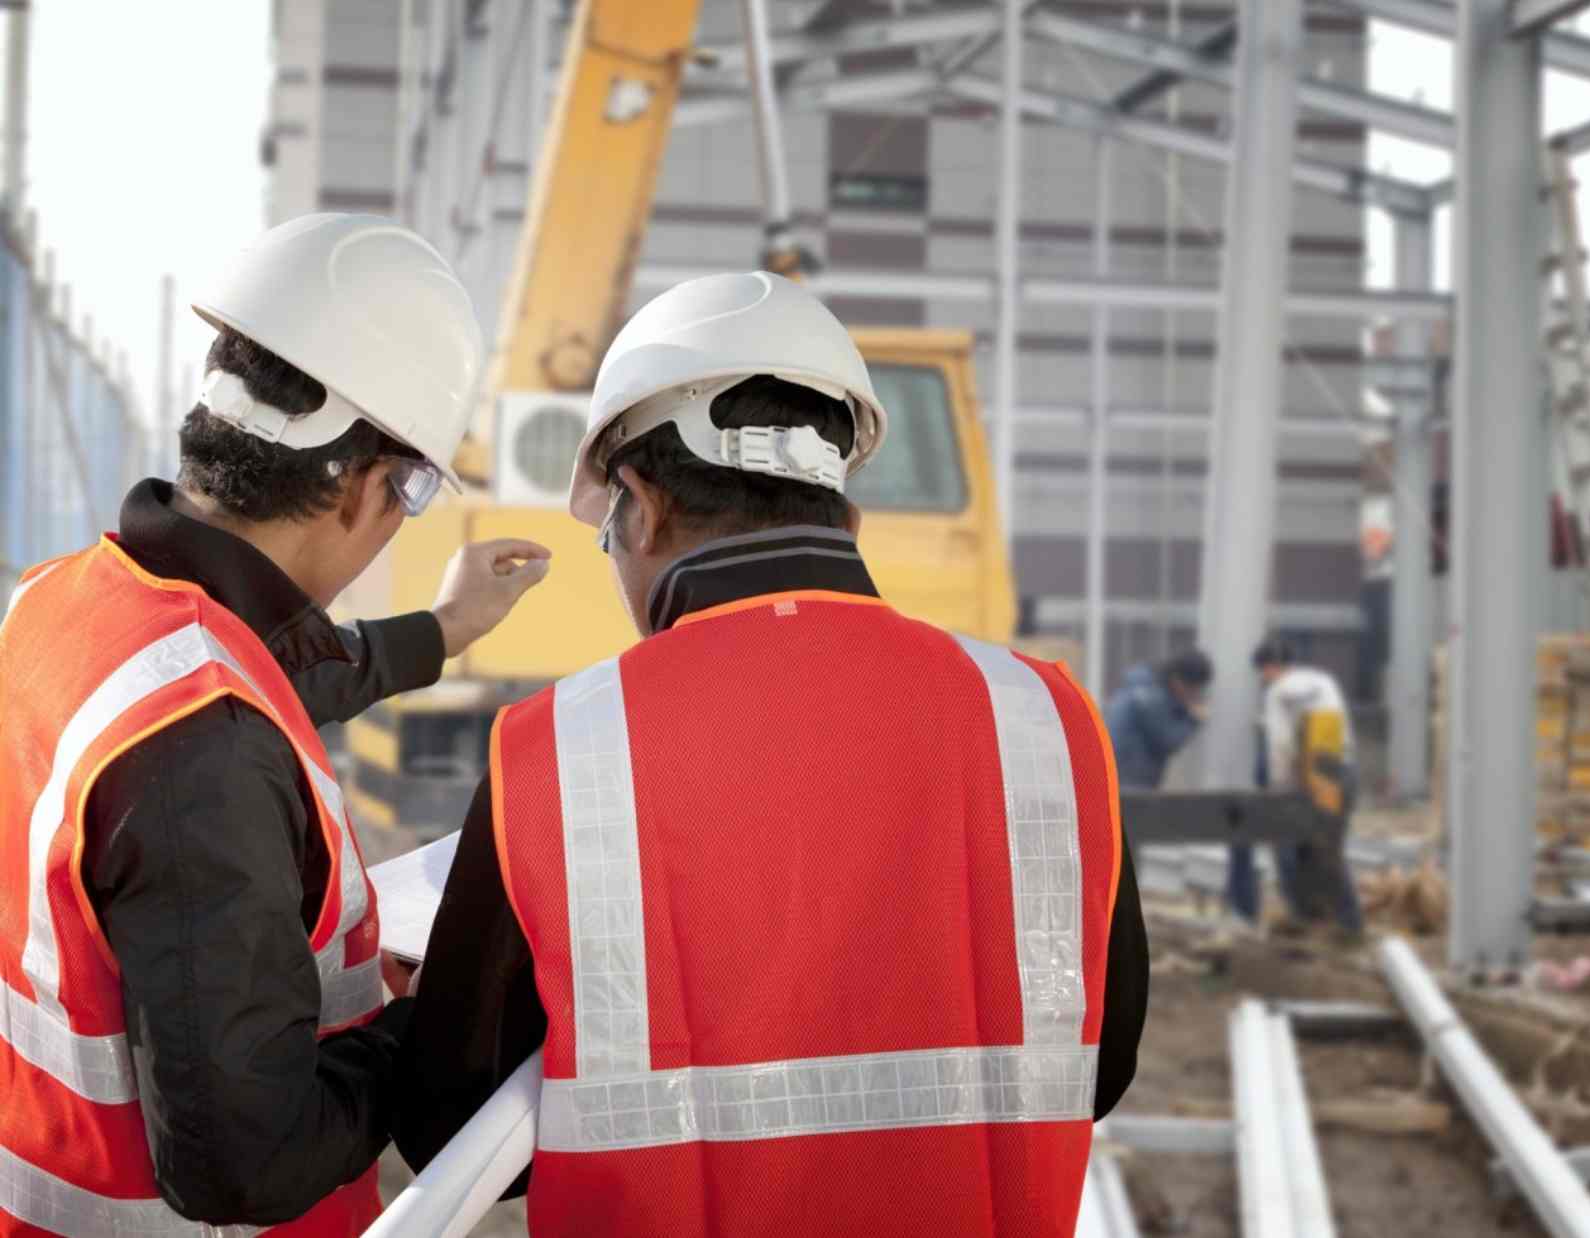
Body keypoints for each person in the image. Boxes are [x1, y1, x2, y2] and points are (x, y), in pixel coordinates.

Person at [396, 272, 1147, 1236]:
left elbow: (448, 1128)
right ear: (849, 512)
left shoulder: (556, 750)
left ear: (641, 504)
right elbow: (1098, 1065)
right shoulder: (1050, 722)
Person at [0, 214, 548, 1235]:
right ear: (366, 485)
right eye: (412, 492)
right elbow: (245, 1162)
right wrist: (415, 1031)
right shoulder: (200, 742)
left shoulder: (61, 602)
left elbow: (258, 671)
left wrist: (444, 628)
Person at [1225, 634, 1366, 941]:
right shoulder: (1324, 681)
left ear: (1269, 667)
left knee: (1285, 843)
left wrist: (1279, 790)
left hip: (1306, 780)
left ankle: (1302, 916)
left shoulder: (1277, 692)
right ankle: (1348, 921)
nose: (1262, 679)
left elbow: (1281, 746)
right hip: (1341, 773)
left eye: (1262, 672)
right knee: (1328, 849)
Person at [1103, 647, 1213, 790]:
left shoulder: (1146, 688)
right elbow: (1167, 740)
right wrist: (1193, 718)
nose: (1194, 695)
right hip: (1127, 782)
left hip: (1123, 777)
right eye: (1193, 689)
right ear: (1178, 681)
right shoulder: (1151, 697)